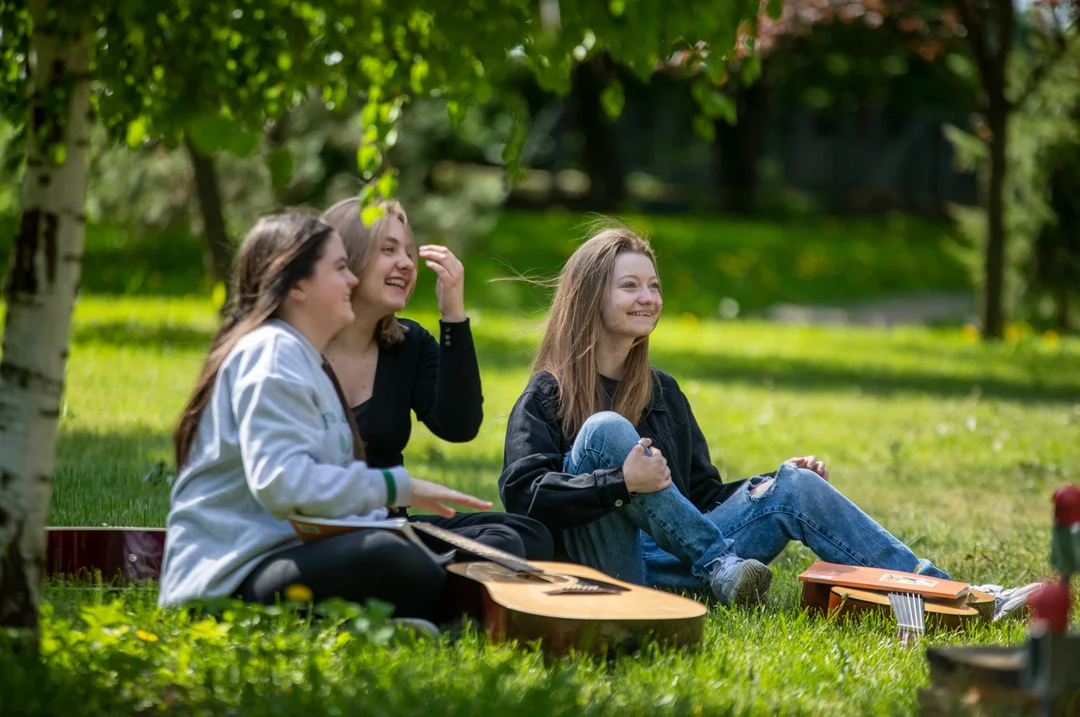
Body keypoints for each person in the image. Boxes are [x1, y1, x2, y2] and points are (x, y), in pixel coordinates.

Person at [499, 222, 950, 607]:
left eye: (654, 286)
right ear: (587, 298)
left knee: (794, 485)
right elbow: (524, 496)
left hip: (674, 563)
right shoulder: (547, 396)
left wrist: (765, 487)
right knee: (606, 431)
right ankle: (719, 564)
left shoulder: (663, 393)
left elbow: (699, 496)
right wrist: (620, 483)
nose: (649, 298)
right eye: (630, 286)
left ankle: (945, 591)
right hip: (608, 570)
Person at [159, 213, 498, 623]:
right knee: (390, 556)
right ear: (297, 285)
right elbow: (282, 484)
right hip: (226, 581)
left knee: (413, 551)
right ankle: (450, 615)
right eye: (340, 269)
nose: (352, 281)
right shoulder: (271, 353)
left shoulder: (303, 357)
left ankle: (415, 614)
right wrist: (395, 487)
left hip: (289, 553)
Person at [320, 198, 552, 562]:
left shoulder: (408, 343)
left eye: (410, 253)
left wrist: (453, 317)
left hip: (390, 525)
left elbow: (458, 426)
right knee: (501, 548)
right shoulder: (297, 348)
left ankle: (429, 570)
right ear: (346, 256)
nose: (406, 263)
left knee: (525, 535)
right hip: (322, 530)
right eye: (388, 249)